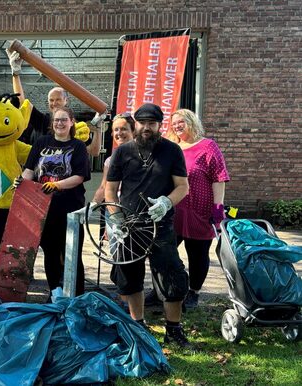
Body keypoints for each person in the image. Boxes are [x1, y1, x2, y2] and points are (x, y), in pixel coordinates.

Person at [105, 103, 192, 348]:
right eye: (142, 123)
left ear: (159, 126)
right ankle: (139, 326)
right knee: (129, 276)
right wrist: (116, 218)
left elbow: (182, 186)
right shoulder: (123, 152)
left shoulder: (172, 151)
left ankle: (173, 330)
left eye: (152, 124)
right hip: (129, 226)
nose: (146, 128)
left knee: (171, 276)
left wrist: (166, 202)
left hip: (160, 225)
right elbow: (111, 190)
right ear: (136, 124)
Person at [19, 106, 90, 297]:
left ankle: (77, 296)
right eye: (57, 120)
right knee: (50, 252)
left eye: (64, 120)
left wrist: (57, 185)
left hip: (70, 209)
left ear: (71, 122)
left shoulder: (78, 146)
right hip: (44, 208)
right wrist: (21, 183)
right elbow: (29, 170)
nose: (60, 123)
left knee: (72, 254)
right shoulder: (42, 142)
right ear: (52, 123)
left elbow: (80, 176)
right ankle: (55, 293)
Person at [167, 109, 230, 309]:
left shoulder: (208, 146)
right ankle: (165, 287)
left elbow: (219, 178)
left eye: (181, 122)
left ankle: (193, 292)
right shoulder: (171, 148)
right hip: (174, 211)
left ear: (192, 122)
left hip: (199, 210)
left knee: (198, 255)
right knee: (164, 251)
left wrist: (218, 209)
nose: (177, 126)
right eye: (174, 123)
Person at [6, 47, 103, 155]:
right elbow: (22, 103)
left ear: (66, 100)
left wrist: (98, 129)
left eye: (58, 100)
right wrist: (15, 73)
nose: (54, 103)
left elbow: (94, 152)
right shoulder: (42, 121)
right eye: (51, 100)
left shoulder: (74, 126)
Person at [92, 113, 135, 203]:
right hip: (113, 207)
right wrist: (91, 207)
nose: (119, 133)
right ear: (112, 133)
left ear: (133, 131)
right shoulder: (109, 160)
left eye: (124, 129)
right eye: (116, 130)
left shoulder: (143, 156)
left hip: (135, 207)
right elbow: (104, 187)